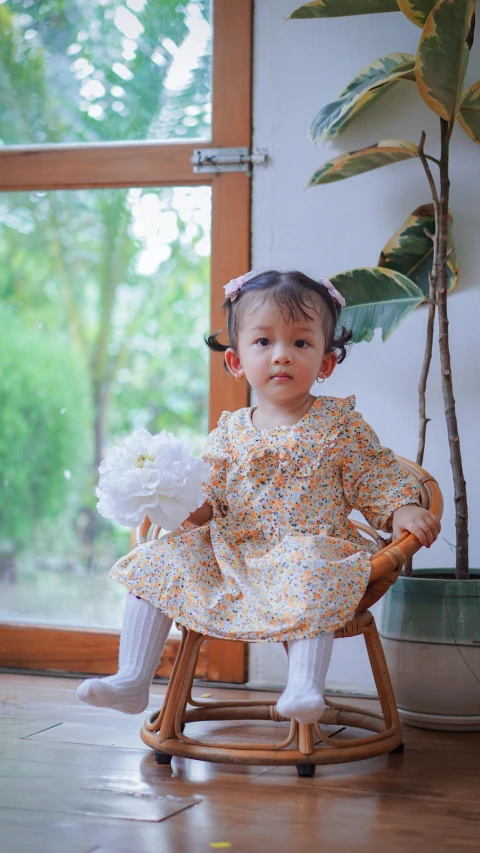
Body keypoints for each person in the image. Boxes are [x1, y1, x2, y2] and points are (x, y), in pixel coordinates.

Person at [77, 269, 440, 721]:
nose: (282, 356)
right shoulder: (229, 432)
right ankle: (132, 679)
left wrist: (401, 507)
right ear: (236, 361)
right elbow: (207, 504)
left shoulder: (339, 425)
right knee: (159, 558)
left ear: (326, 363)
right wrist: (173, 499)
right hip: (233, 555)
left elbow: (375, 474)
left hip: (308, 549)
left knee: (310, 569)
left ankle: (305, 688)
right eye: (264, 342)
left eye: (301, 343)